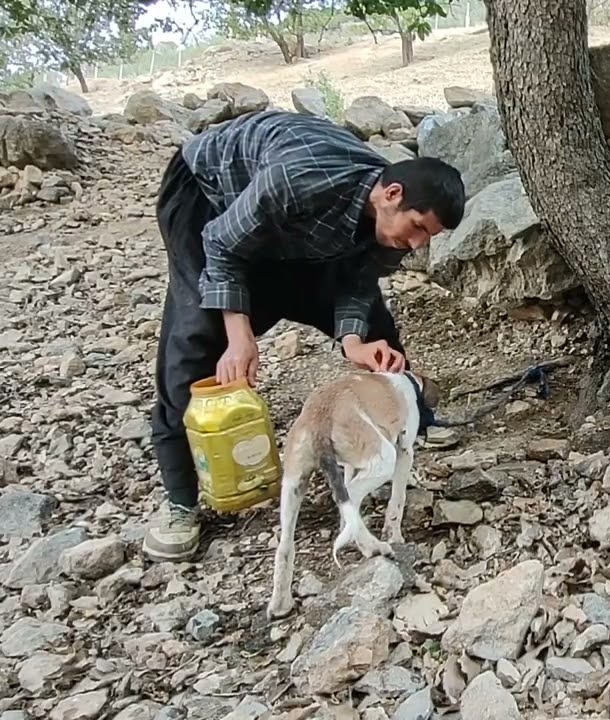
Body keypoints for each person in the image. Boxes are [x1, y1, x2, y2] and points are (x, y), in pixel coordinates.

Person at [143, 109, 466, 562]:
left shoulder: (387, 227)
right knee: (197, 336)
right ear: (391, 195)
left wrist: (354, 343)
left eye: (427, 238)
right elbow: (221, 243)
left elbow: (358, 285)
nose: (417, 246)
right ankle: (180, 501)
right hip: (207, 198)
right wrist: (239, 333)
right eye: (417, 229)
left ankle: (406, 425)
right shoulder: (300, 179)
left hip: (290, 224)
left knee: (378, 330)